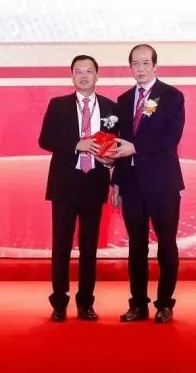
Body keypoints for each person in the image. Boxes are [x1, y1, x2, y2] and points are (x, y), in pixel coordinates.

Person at [108, 43, 185, 324]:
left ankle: (164, 304)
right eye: (135, 64)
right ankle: (138, 304)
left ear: (155, 66)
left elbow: (171, 139)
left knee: (166, 245)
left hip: (163, 184)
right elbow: (120, 144)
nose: (140, 69)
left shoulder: (172, 96)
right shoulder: (124, 99)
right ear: (130, 67)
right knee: (136, 247)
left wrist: (136, 149)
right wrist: (116, 181)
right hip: (132, 185)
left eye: (145, 63)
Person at [38, 54, 118, 322]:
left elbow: (113, 145)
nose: (84, 76)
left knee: (89, 247)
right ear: (72, 76)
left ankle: (85, 303)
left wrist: (110, 161)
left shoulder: (110, 108)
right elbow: (45, 139)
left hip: (94, 183)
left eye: (89, 71)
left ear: (97, 75)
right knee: (61, 245)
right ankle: (59, 302)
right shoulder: (58, 105)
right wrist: (76, 144)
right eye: (78, 71)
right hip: (64, 184)